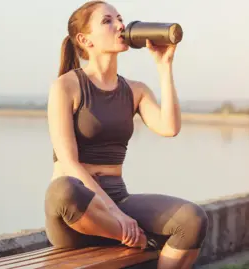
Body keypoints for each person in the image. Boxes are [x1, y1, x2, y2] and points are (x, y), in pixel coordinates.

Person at [44, 1, 209, 268]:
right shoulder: (65, 87)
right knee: (63, 189)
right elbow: (69, 162)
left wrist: (164, 65)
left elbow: (170, 127)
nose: (120, 25)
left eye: (120, 19)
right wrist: (119, 220)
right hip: (78, 213)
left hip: (118, 200)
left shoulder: (135, 90)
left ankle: (130, 235)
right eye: (107, 21)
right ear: (85, 39)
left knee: (193, 219)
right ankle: (134, 238)